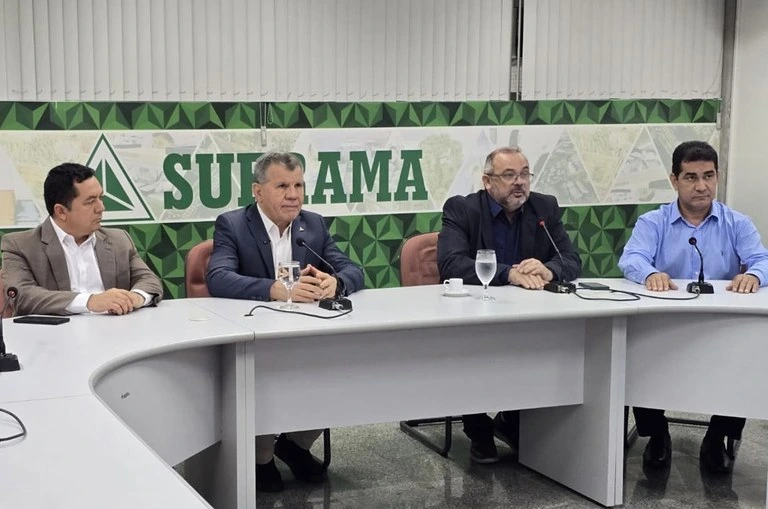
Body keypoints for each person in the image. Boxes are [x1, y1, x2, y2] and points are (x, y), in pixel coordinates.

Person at [206, 151, 364, 492]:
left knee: (342, 369)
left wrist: (336, 282)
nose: (293, 195)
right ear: (257, 191)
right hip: (255, 338)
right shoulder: (233, 224)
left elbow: (353, 269)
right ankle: (260, 456)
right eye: (282, 186)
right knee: (265, 377)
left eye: (298, 185)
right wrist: (274, 289)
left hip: (307, 336)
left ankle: (295, 445)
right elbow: (218, 277)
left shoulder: (313, 224)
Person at [619, 140, 768, 473]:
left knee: (747, 356)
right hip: (664, 327)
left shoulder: (737, 223)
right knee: (636, 351)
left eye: (708, 176)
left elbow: (762, 259)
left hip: (723, 327)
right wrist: (650, 273)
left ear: (717, 177)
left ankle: (717, 437)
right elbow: (631, 259)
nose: (702, 186)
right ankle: (657, 434)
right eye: (691, 177)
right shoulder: (653, 222)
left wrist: (754, 275)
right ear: (674, 180)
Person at [437, 146, 582, 463]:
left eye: (524, 174)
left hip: (527, 317)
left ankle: (511, 420)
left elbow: (571, 259)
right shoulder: (463, 210)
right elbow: (451, 263)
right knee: (471, 353)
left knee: (548, 350)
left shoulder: (544, 208)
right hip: (475, 313)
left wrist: (550, 269)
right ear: (487, 181)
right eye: (509, 175)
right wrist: (509, 273)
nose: (520, 182)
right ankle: (478, 429)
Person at [1, 163, 162, 316]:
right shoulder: (20, 246)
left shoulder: (119, 240)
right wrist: (90, 301)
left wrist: (135, 298)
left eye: (100, 198)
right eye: (90, 201)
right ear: (61, 211)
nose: (101, 208)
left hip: (117, 331)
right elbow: (22, 296)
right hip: (55, 334)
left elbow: (149, 280)